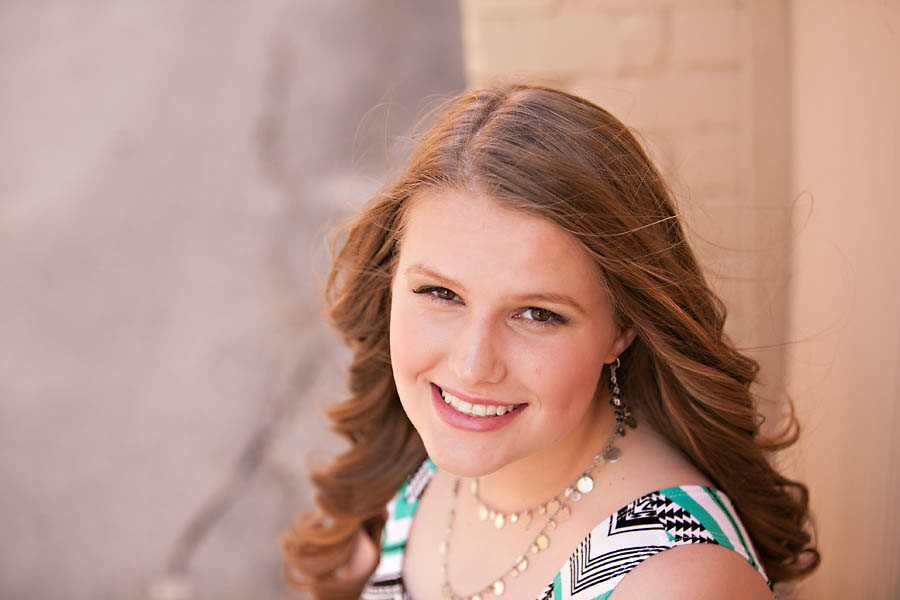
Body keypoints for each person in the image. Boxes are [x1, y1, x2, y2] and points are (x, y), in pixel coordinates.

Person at [281, 85, 819, 599]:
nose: (472, 365)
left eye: (537, 314)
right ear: (390, 282)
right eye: (441, 293)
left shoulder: (674, 581)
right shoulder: (415, 466)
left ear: (623, 328)